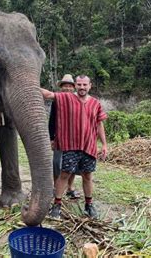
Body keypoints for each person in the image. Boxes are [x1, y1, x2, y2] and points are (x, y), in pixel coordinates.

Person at [42, 75, 108, 219]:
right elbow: (47, 94)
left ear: (90, 85)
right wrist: (26, 83)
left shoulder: (95, 103)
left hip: (89, 145)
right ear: (75, 86)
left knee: (87, 175)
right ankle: (57, 205)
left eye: (85, 85)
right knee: (64, 174)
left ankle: (89, 205)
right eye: (79, 85)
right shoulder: (66, 98)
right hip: (71, 145)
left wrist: (104, 144)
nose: (82, 87)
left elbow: (99, 124)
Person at [49, 74, 80, 199]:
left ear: (73, 88)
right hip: (60, 137)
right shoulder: (57, 100)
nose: (67, 88)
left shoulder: (79, 100)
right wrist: (51, 138)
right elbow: (52, 120)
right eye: (65, 86)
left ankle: (70, 188)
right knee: (57, 162)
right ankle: (56, 187)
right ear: (61, 88)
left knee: (73, 163)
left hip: (75, 137)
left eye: (69, 86)